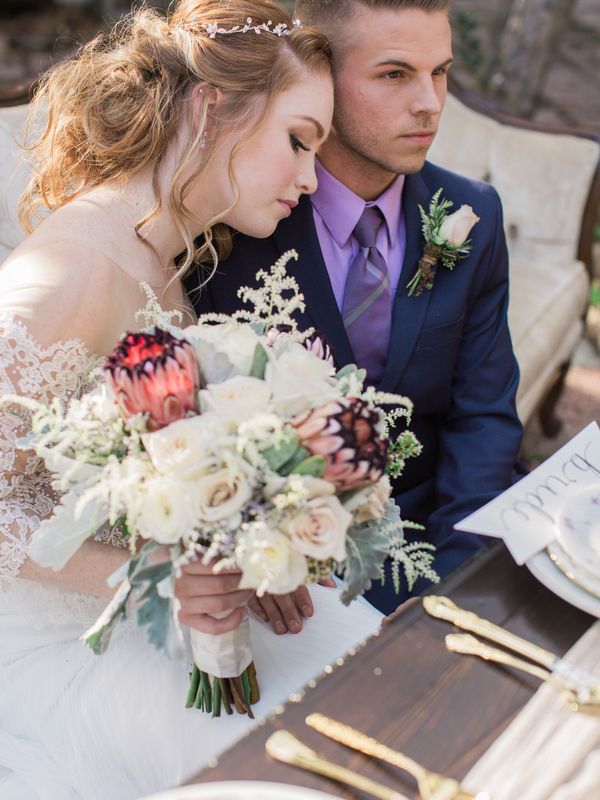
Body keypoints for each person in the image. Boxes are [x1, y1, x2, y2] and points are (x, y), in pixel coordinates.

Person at [0, 3, 384, 798]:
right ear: (215, 109)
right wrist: (155, 575)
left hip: (159, 596)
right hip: (54, 632)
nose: (311, 178)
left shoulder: (162, 254)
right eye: (298, 139)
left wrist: (253, 547)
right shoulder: (73, 271)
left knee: (366, 671)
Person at [188, 0, 524, 624]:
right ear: (321, 79)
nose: (430, 103)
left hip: (431, 541)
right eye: (395, 74)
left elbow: (483, 420)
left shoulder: (473, 215)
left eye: (441, 72)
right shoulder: (235, 221)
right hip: (279, 577)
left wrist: (447, 592)